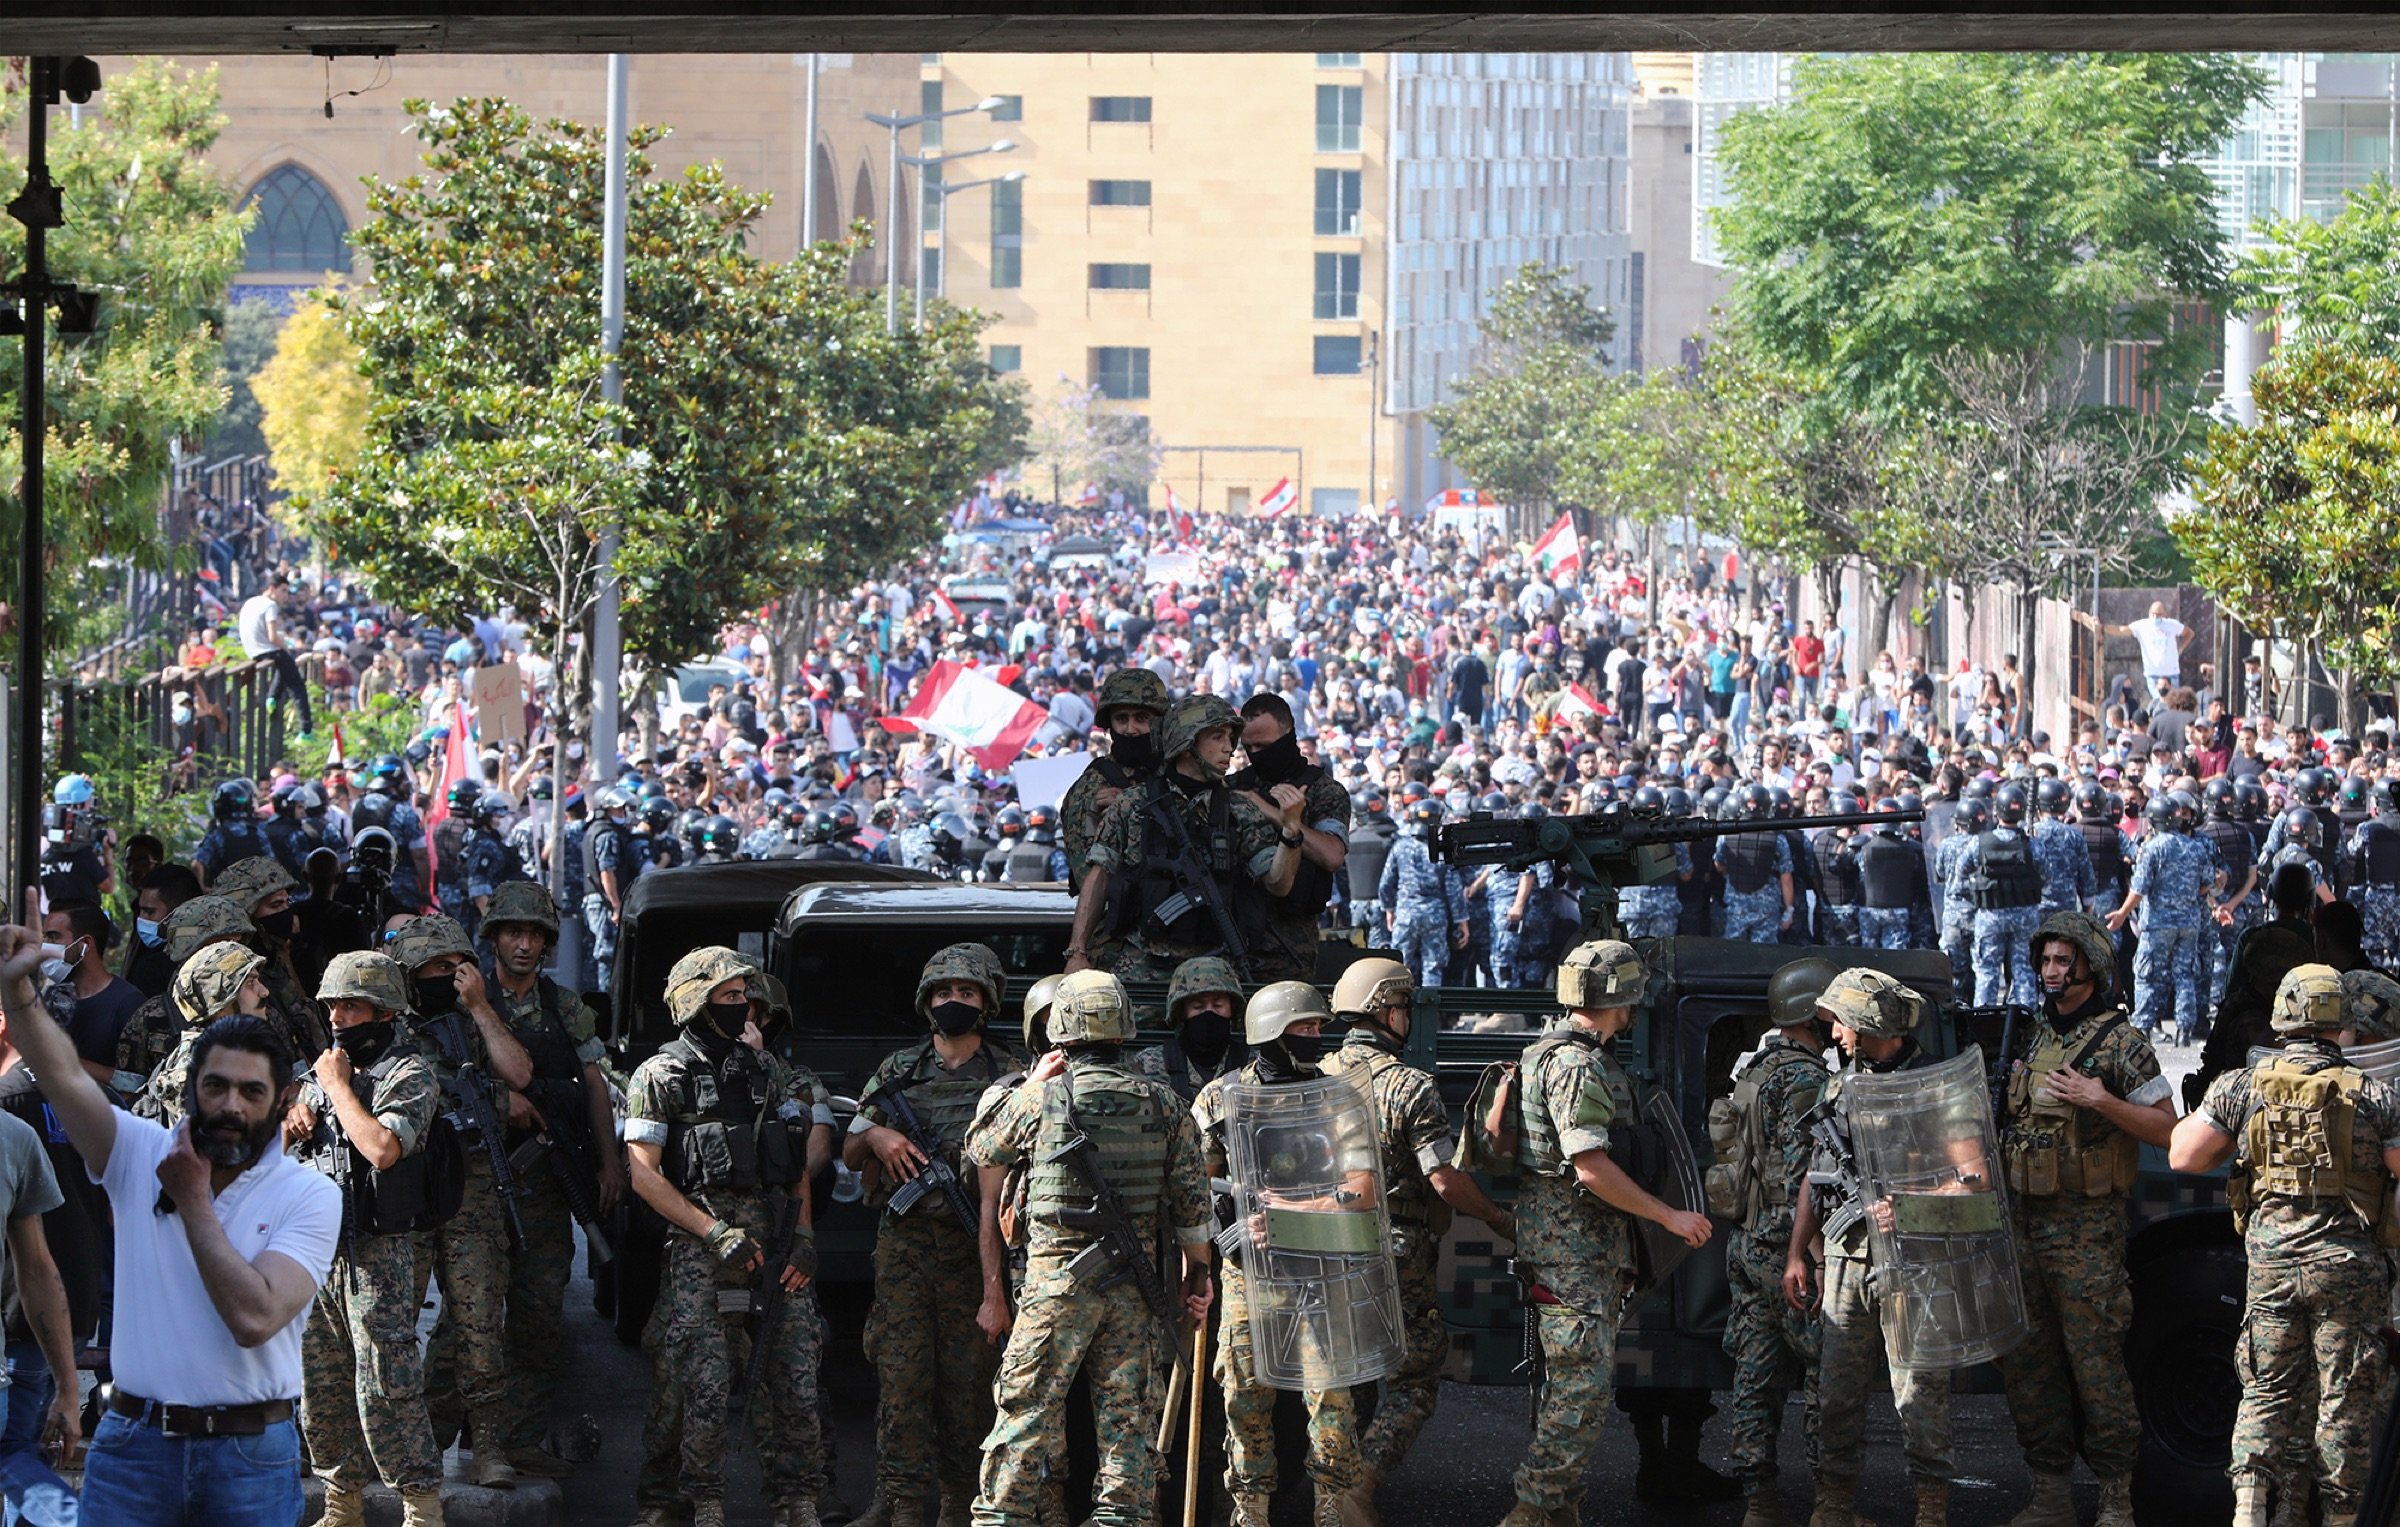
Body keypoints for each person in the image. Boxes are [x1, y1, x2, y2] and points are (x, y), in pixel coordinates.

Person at [0, 908, 333, 1527]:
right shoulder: (139, 1155)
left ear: (282, 1100)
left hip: (250, 1459)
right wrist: (18, 992)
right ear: (191, 1089)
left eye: (252, 1092)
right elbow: (65, 1076)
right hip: (134, 1449)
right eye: (215, 1087)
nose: (231, 1106)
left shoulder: (309, 1194)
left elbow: (253, 1318)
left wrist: (193, 1202)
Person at [965, 968, 1214, 1527]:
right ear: (1124, 1026)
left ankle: (1001, 1518)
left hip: (1054, 1289)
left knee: (1026, 1417)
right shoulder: (1166, 1104)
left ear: (1060, 1029)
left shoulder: (1044, 1099)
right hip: (1133, 1290)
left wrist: (1031, 1086)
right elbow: (1195, 1213)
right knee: (1128, 1427)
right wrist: (1197, 1282)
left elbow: (983, 1148)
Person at [1493, 939, 1712, 1527]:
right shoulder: (1576, 1064)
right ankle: (1531, 1511)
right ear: (1624, 998)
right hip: (1575, 1256)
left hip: (1572, 1253)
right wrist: (1669, 1217)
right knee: (1579, 1397)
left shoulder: (1547, 1053)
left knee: (1573, 1392)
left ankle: (1559, 1512)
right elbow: (1589, 1165)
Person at [2171, 965, 2400, 1527]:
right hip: (2348, 1270)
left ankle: (2249, 1512)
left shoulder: (2241, 1086)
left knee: (2265, 1391)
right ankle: (2342, 1518)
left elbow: (2184, 1156)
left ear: (2282, 1018)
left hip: (2271, 1266)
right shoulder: (2374, 1094)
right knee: (2342, 1402)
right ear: (2339, 1023)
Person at [623, 947, 826, 1527]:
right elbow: (643, 1173)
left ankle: (798, 1497)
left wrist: (805, 1238)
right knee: (701, 1384)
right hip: (701, 1252)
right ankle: (697, 1498)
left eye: (744, 996)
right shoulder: (660, 1075)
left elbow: (793, 1169)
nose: (743, 1006)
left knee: (794, 1377)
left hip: (775, 1249)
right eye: (730, 997)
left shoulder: (766, 1070)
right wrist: (712, 1232)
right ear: (696, 1003)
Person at [1994, 912, 2176, 1527]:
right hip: (2023, 1225)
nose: (2051, 971)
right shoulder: (2028, 1036)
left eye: (2062, 961)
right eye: (2045, 960)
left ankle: (2116, 1496)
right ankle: (2049, 1492)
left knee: (2097, 1365)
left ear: (2090, 967)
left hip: (2085, 1233)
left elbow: (2169, 1129)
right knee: (2028, 1364)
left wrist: (2103, 1100)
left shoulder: (2122, 1043)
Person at [1322, 959, 1512, 1517]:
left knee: (1342, 1377)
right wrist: (1500, 1220)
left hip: (1324, 1241)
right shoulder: (1409, 1085)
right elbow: (1444, 1179)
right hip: (1395, 1246)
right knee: (1415, 1376)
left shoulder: (1315, 1077)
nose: (1407, 1016)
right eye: (1403, 1006)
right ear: (1386, 1011)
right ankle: (1360, 1487)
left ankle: (1331, 1492)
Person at [846, 945, 1025, 1527]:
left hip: (978, 1249)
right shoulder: (897, 1071)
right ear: (928, 1001)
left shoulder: (1011, 1073)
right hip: (905, 1247)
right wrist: (879, 1140)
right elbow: (850, 1151)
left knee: (969, 1380)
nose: (954, 1002)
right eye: (944, 993)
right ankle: (896, 1497)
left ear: (986, 1002)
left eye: (967, 994)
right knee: (901, 1374)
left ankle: (956, 1497)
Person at [1193, 981, 1371, 1527]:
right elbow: (1198, 1187)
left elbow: (1362, 1187)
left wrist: (1295, 1215)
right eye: (1306, 1028)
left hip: (1322, 1268)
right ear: (1269, 1033)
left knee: (1332, 1399)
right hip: (1251, 1272)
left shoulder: (1337, 1095)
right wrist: (1210, 1256)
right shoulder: (1219, 1098)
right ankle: (1249, 1508)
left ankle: (1331, 1506)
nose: (1318, 1037)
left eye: (1319, 1027)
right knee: (1245, 1394)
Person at [1783, 968, 1952, 1527]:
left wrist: (1909, 1206)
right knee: (1835, 1395)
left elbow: (1971, 1179)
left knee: (1920, 1396)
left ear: (1869, 1023)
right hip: (1845, 1261)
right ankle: (1833, 1506)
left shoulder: (1935, 1088)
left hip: (1914, 1264)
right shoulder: (1839, 1084)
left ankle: (1930, 1508)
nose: (1833, 1035)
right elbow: (1818, 1174)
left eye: (1842, 1023)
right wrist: (1796, 1253)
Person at [286, 950, 447, 1527]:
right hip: (317, 1250)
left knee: (386, 1379)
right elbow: (280, 1150)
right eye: (332, 1006)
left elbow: (382, 1148)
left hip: (375, 1249)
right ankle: (340, 1502)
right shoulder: (326, 1069)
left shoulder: (410, 1073)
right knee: (321, 1382)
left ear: (383, 1013)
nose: (337, 1018)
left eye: (350, 1007)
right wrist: (293, 1121)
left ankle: (421, 1505)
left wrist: (336, 1089)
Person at [473, 880, 626, 1475]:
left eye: (535, 934)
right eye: (514, 931)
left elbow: (593, 1080)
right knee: (473, 1321)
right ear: (495, 937)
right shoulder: (470, 1001)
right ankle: (447, 1440)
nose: (525, 944)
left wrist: (608, 1160)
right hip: (479, 1190)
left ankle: (519, 1438)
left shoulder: (564, 1007)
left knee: (538, 1316)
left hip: (544, 1185)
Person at [386, 914, 535, 1490]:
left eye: (459, 967)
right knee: (393, 1326)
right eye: (437, 969)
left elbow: (518, 1072)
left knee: (479, 1325)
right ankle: (401, 1444)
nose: (450, 977)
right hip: (407, 1188)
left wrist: (478, 1007)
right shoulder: (385, 1024)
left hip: (470, 1189)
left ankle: (489, 1446)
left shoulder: (473, 1022)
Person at [1712, 958, 1835, 1527]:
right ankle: (1828, 1505)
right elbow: (1801, 1175)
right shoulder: (1806, 1077)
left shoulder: (1756, 1068)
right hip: (1786, 1245)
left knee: (1755, 1375)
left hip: (1747, 1240)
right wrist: (1810, 1255)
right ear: (1813, 1011)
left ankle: (1758, 1503)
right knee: (1823, 1372)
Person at [1069, 695, 1302, 984]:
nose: (1229, 747)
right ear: (1187, 744)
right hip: (1142, 965)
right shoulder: (1133, 804)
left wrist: (1291, 833)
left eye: (1230, 738)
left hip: (1215, 968)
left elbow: (1278, 883)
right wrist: (1077, 952)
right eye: (1217, 737)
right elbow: (1098, 876)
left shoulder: (1239, 810)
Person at [0, 983, 104, 1526]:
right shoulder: (88, 1095)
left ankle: (70, 1518)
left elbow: (34, 1262)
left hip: (23, 1314)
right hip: (71, 1300)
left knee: (14, 1452)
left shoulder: (10, 1107)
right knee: (27, 1449)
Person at [1227, 693, 1350, 982]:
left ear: (1288, 734)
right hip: (1234, 937)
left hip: (1290, 946)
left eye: (1265, 746)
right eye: (1250, 747)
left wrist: (1275, 814)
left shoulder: (1324, 791)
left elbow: (1332, 855)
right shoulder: (1233, 786)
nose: (1257, 754)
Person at [2108, 797, 2223, 1046]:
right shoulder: (2196, 847)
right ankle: (2184, 1030)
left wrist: (2122, 913)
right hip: (2189, 921)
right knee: (2184, 974)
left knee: (2148, 974)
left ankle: (2144, 1027)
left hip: (2158, 922)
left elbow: (2139, 888)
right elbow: (2206, 885)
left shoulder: (2153, 848)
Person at [1955, 786, 2045, 1007]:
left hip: (1990, 915)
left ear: (1997, 813)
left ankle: (1983, 1022)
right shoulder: (2032, 845)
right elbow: (2046, 874)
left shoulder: (1980, 842)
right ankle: (2026, 1021)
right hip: (2025, 915)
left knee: (1987, 971)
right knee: (2024, 969)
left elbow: (1961, 871)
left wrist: (1980, 887)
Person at [1130, 955, 1248, 1102]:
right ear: (1181, 1011)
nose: (1208, 1013)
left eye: (1218, 1005)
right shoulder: (1149, 1065)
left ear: (1233, 1008)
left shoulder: (1251, 1066)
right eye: (1198, 1006)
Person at [1381, 801, 1466, 988]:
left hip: (1405, 913)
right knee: (1433, 967)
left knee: (1399, 967)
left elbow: (1386, 884)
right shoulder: (1443, 851)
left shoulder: (1400, 846)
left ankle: (1399, 1012)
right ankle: (1429, 1013)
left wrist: (1389, 909)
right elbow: (1454, 891)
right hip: (1434, 915)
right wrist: (1462, 922)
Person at [237, 576, 315, 738]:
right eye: (283, 591)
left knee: (284, 664)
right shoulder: (270, 605)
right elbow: (273, 636)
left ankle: (272, 697)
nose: (285, 596)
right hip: (268, 649)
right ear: (272, 588)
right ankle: (306, 731)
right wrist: (286, 646)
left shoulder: (250, 602)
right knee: (298, 686)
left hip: (252, 651)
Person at [122, 863, 202, 999]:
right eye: (140, 910)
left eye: (149, 912)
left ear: (179, 913)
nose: (141, 919)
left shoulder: (152, 969)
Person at [2100, 601, 2193, 693]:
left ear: (2164, 614)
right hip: (2153, 674)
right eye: (2153, 614)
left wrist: (2180, 649)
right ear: (2149, 613)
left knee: (2173, 704)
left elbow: (2189, 633)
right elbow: (2121, 630)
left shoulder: (2172, 625)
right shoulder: (2142, 626)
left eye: (2159, 614)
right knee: (2158, 703)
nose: (2156, 617)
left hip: (2171, 673)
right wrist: (2102, 627)